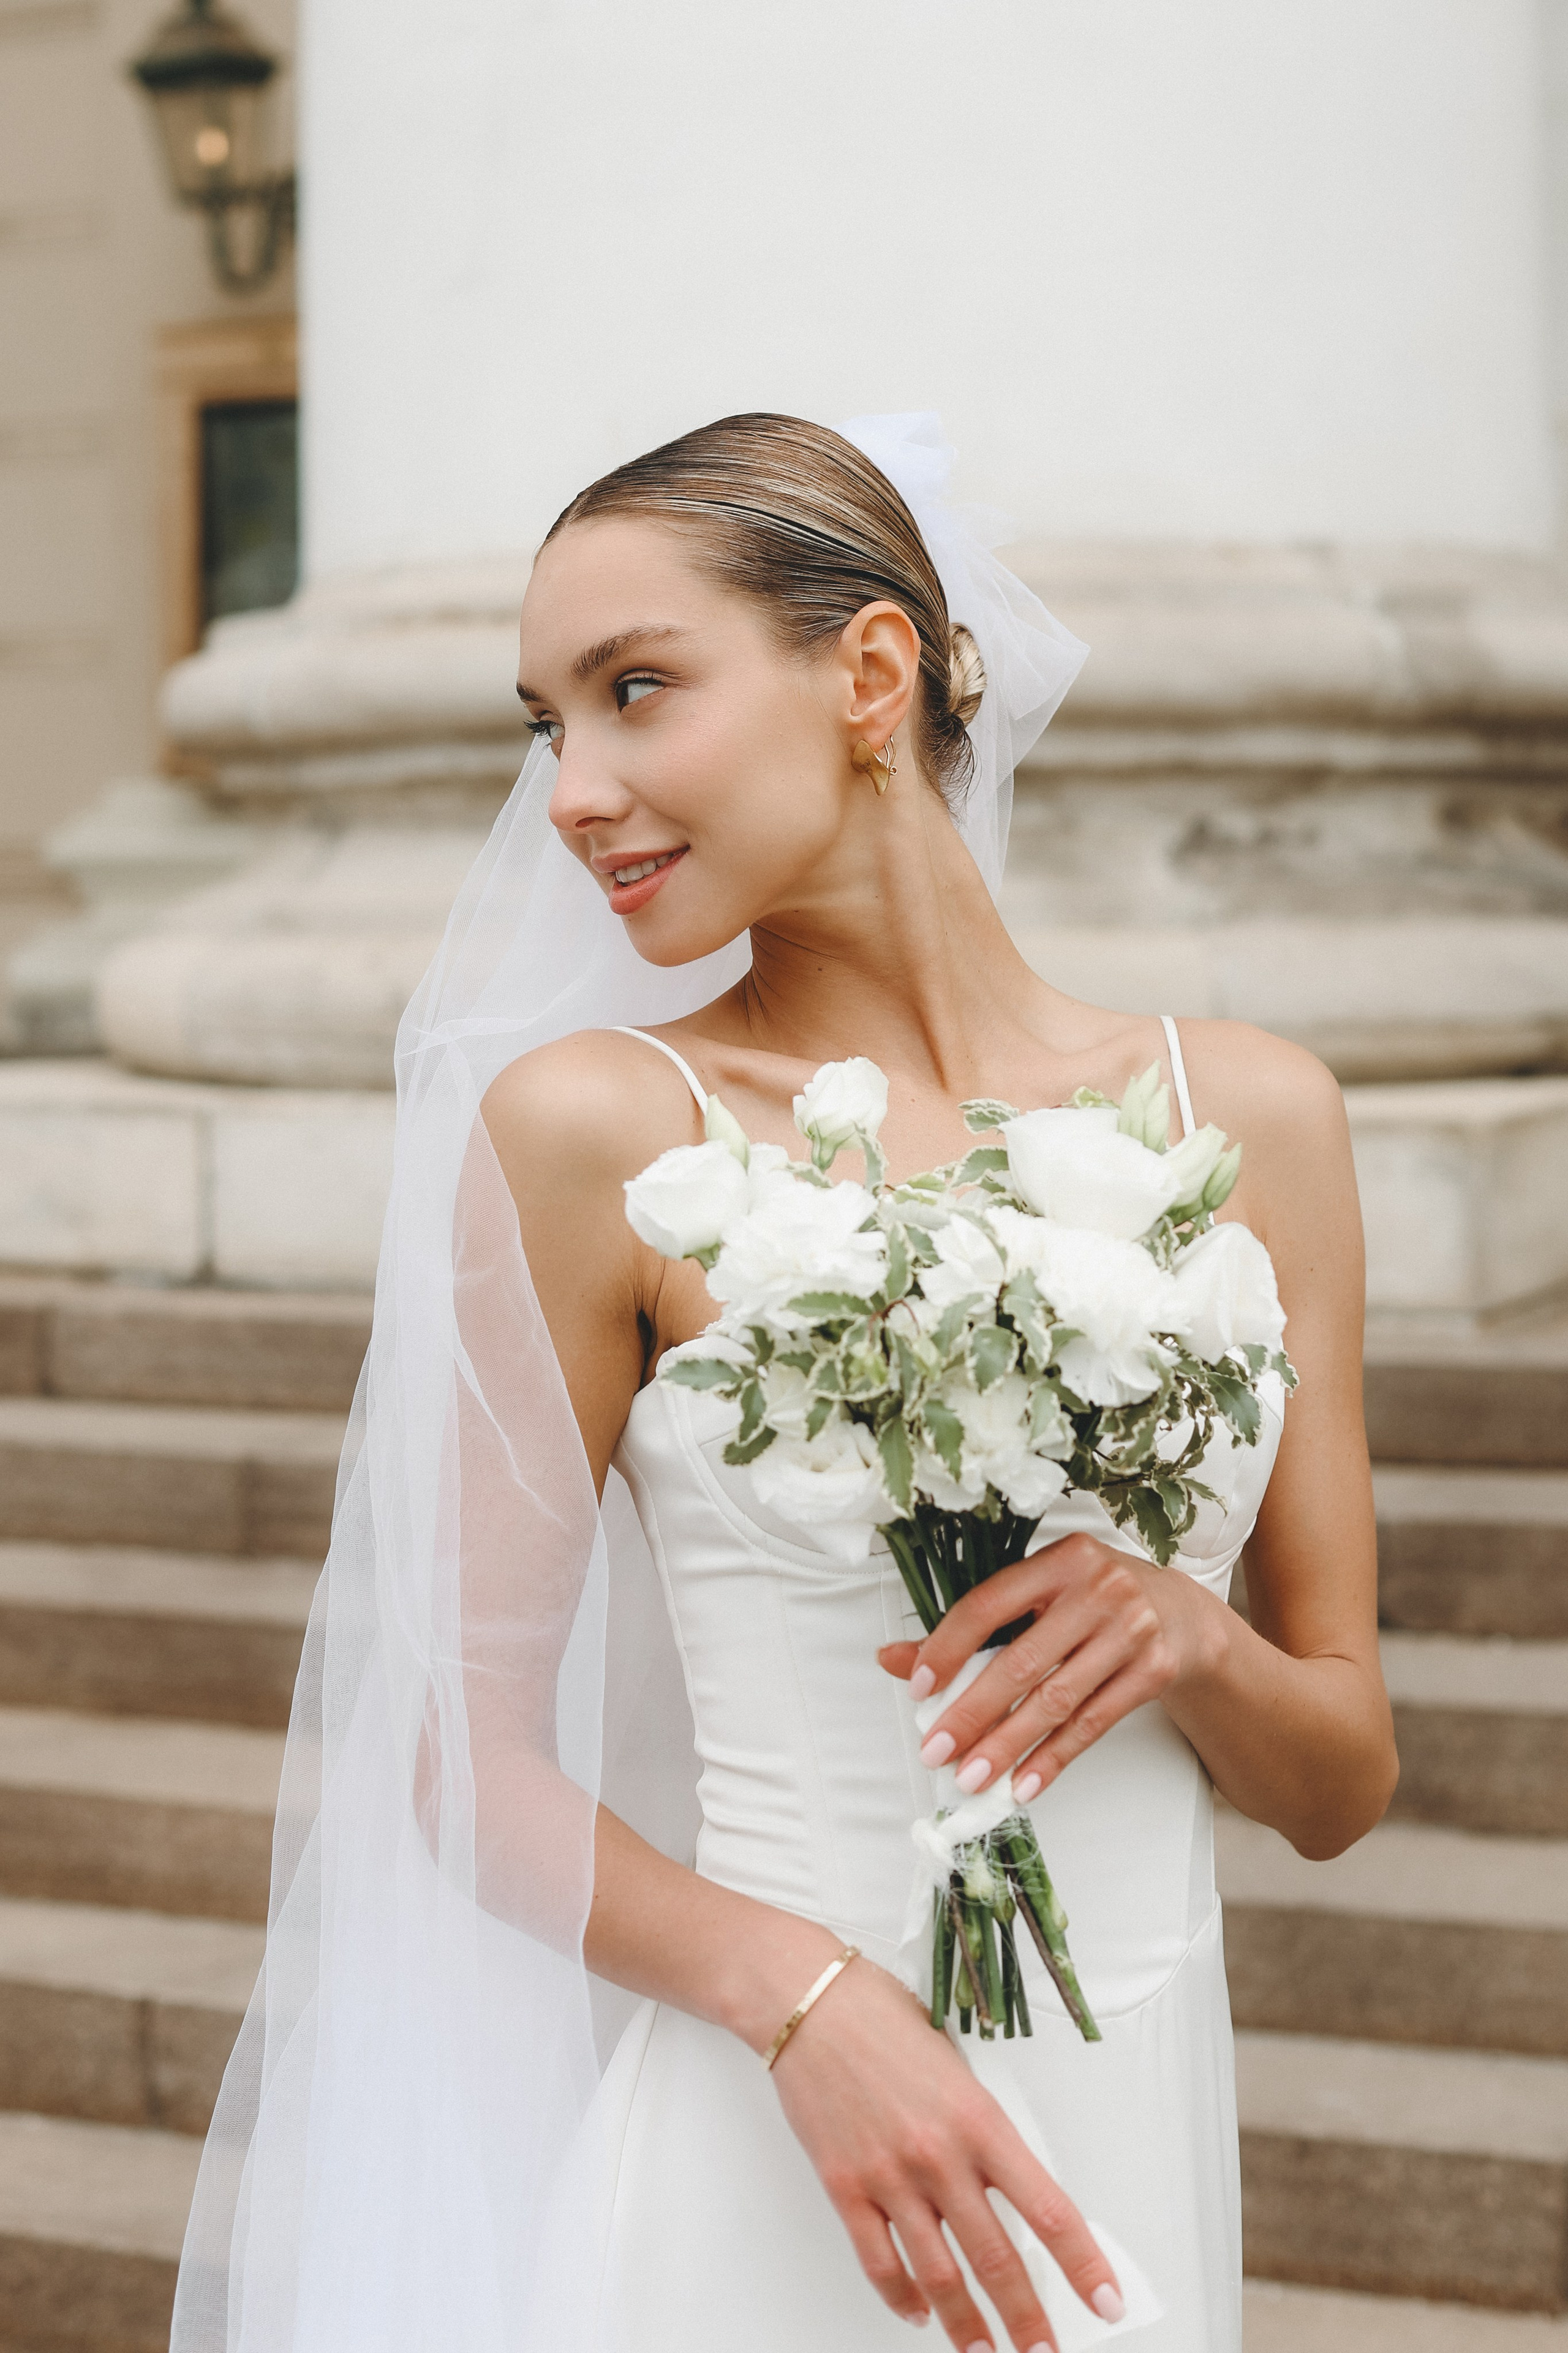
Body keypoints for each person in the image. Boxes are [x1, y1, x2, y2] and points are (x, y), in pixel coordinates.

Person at [170, 415, 1396, 2353]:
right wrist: (802, 1999)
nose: (574, 790)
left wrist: (1190, 1637)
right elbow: (457, 1758)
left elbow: (1345, 1773)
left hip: (1126, 2134)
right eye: (544, 723)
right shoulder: (595, 1131)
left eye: (635, 691)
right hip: (768, 2140)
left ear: (872, 672)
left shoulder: (1248, 1115)